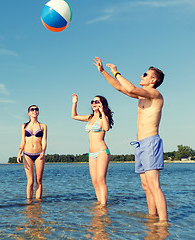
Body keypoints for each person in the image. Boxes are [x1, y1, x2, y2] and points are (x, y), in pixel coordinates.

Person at [93, 56, 167, 223]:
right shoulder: (143, 96)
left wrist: (116, 71)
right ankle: (152, 219)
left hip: (150, 142)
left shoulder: (155, 94)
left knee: (154, 185)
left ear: (153, 80)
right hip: (140, 145)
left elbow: (131, 88)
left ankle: (163, 224)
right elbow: (120, 87)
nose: (141, 76)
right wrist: (104, 72)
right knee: (146, 186)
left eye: (145, 74)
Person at [71, 94, 114, 206]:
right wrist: (75, 102)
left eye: (97, 102)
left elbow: (106, 128)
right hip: (91, 153)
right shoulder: (90, 117)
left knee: (101, 180)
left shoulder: (103, 118)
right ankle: (100, 203)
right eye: (93, 102)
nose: (94, 104)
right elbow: (74, 116)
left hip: (102, 152)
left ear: (102, 104)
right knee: (95, 182)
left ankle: (103, 206)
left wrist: (102, 112)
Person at [17, 105, 47, 200]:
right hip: (27, 155)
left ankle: (38, 203)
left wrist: (43, 151)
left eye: (36, 109)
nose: (34, 111)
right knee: (30, 181)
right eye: (32, 109)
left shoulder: (43, 126)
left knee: (39, 180)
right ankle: (29, 204)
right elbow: (23, 141)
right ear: (29, 113)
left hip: (39, 155)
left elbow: (44, 141)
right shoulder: (24, 126)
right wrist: (19, 152)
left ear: (38, 112)